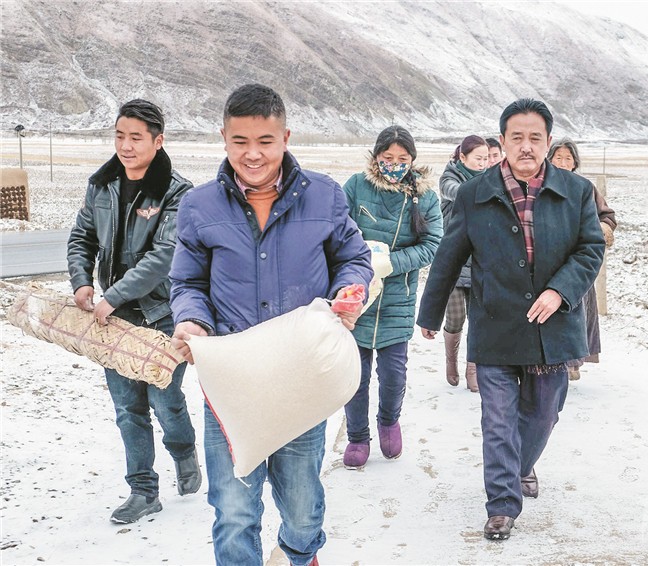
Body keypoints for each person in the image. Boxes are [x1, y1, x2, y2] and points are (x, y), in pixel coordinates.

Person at [169, 84, 373, 566]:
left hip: (301, 377)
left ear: (286, 137)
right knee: (233, 509)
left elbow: (353, 257)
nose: (253, 154)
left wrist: (350, 289)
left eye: (265, 140)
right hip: (232, 381)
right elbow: (187, 282)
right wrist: (193, 321)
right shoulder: (199, 207)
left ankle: (301, 555)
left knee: (302, 509)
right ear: (224, 138)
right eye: (240, 141)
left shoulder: (324, 195)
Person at [417, 98, 605, 540]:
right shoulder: (474, 193)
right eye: (516, 137)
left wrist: (560, 291)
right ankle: (501, 504)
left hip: (552, 328)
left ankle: (519, 465)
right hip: (495, 324)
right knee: (498, 420)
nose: (526, 146)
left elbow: (590, 248)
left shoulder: (576, 191)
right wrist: (431, 312)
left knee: (544, 414)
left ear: (548, 141)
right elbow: (449, 256)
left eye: (535, 138)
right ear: (502, 141)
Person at [67, 99, 200, 524]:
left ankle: (184, 451)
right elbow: (82, 237)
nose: (126, 146)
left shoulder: (177, 193)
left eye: (136, 138)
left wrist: (114, 295)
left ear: (158, 142)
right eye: (120, 136)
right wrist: (82, 281)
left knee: (165, 401)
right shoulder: (101, 185)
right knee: (128, 408)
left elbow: (164, 256)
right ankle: (143, 491)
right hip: (115, 317)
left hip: (162, 313)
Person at [340, 125, 443, 470]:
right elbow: (336, 229)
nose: (395, 165)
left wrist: (391, 263)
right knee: (355, 375)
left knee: (393, 374)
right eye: (388, 157)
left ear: (412, 160)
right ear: (376, 157)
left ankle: (389, 421)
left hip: (398, 296)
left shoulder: (425, 197)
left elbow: (432, 244)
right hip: (356, 296)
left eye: (402, 159)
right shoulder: (356, 186)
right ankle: (357, 436)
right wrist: (360, 261)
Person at [547, 138, 616, 380]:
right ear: (549, 159)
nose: (563, 163)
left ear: (575, 163)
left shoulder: (585, 188)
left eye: (568, 158)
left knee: (579, 310)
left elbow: (607, 216)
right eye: (558, 157)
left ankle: (573, 363)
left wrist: (600, 230)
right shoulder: (541, 186)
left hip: (579, 262)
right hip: (550, 260)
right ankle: (554, 361)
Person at [438, 135, 490, 392]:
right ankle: (451, 360)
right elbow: (457, 193)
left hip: (480, 262)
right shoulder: (449, 178)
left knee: (478, 320)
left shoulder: (489, 179)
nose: (483, 163)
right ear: (463, 157)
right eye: (478, 158)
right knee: (456, 317)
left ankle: (473, 369)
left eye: (486, 159)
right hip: (455, 264)